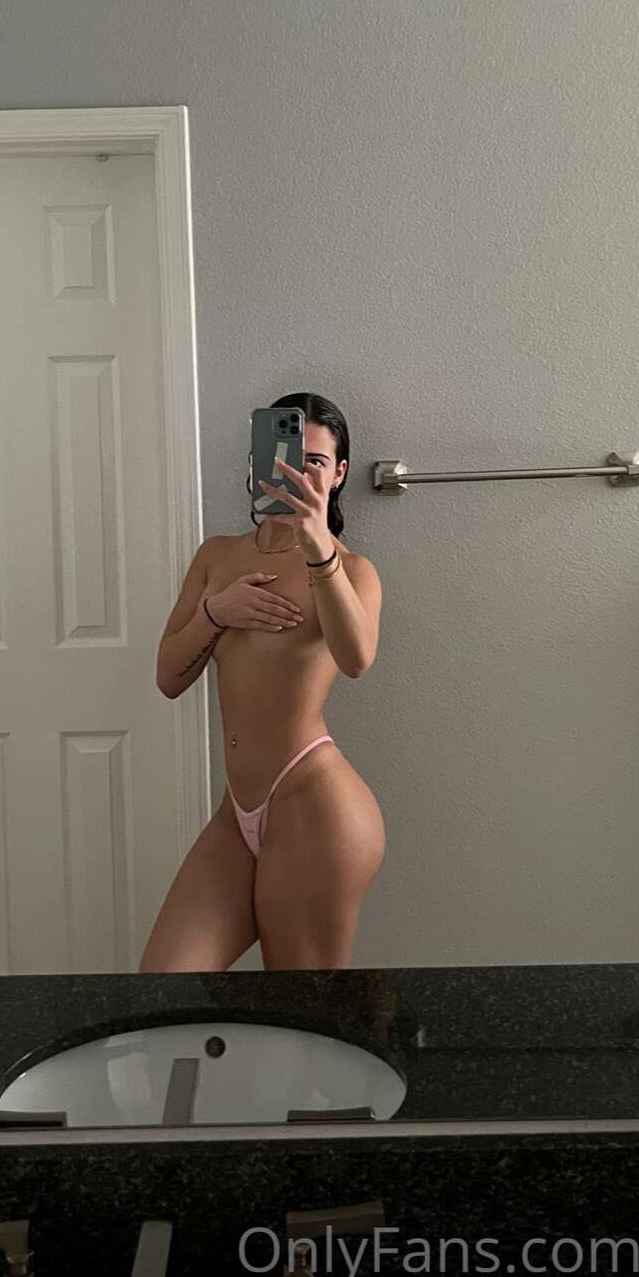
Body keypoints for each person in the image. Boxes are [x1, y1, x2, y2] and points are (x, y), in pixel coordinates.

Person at [142, 391, 385, 971]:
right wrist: (215, 613)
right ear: (257, 463)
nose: (297, 473)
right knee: (163, 983)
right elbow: (168, 678)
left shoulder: (353, 570)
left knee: (301, 1005)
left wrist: (317, 550)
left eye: (315, 462)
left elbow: (356, 659)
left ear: (339, 474)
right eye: (284, 458)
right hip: (237, 812)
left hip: (316, 808)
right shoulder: (216, 557)